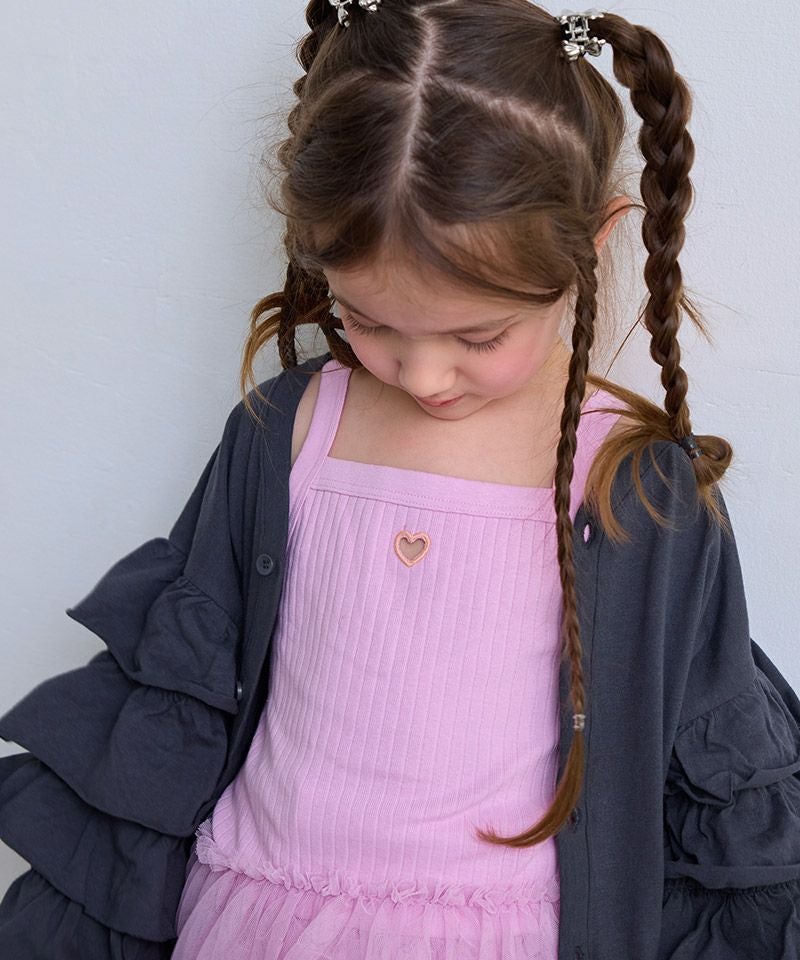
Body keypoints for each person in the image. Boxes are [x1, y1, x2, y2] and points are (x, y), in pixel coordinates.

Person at [1, 1, 799, 958]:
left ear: (597, 239)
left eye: (478, 336)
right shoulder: (286, 432)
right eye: (371, 322)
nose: (422, 377)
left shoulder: (632, 481)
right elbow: (178, 709)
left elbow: (708, 765)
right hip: (254, 922)